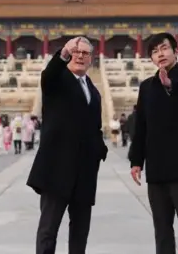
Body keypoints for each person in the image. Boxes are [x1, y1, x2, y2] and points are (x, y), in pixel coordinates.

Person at [27, 36, 108, 254]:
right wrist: (61, 55)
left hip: (84, 172)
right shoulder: (58, 80)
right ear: (68, 54)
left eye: (85, 53)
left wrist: (100, 149)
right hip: (57, 168)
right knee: (48, 229)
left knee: (80, 231)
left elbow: (95, 126)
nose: (80, 56)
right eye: (76, 52)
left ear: (91, 58)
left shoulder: (93, 90)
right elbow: (48, 77)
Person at [128, 32, 178, 254]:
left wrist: (171, 84)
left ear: (175, 51)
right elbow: (141, 125)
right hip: (157, 167)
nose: (159, 54)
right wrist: (136, 160)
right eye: (154, 51)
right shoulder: (147, 87)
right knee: (162, 229)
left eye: (164, 48)